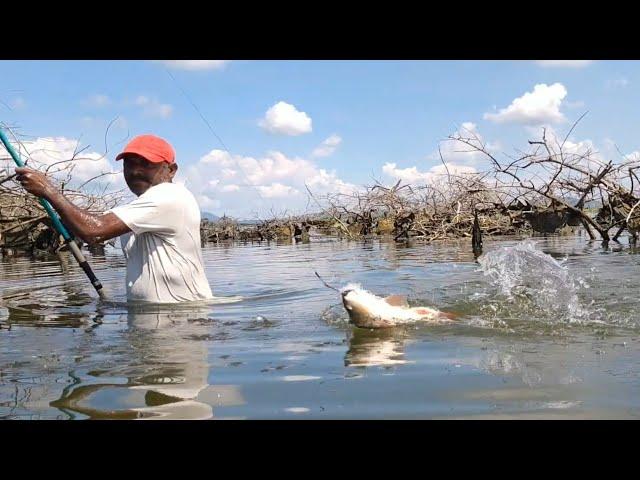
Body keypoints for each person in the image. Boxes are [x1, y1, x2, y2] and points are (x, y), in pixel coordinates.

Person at [15, 134, 213, 303]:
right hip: (152, 320)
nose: (135, 171)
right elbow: (86, 227)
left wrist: (48, 190)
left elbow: (93, 231)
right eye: (129, 164)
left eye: (146, 164)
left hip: (180, 320)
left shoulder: (169, 196)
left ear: (171, 170)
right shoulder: (141, 207)